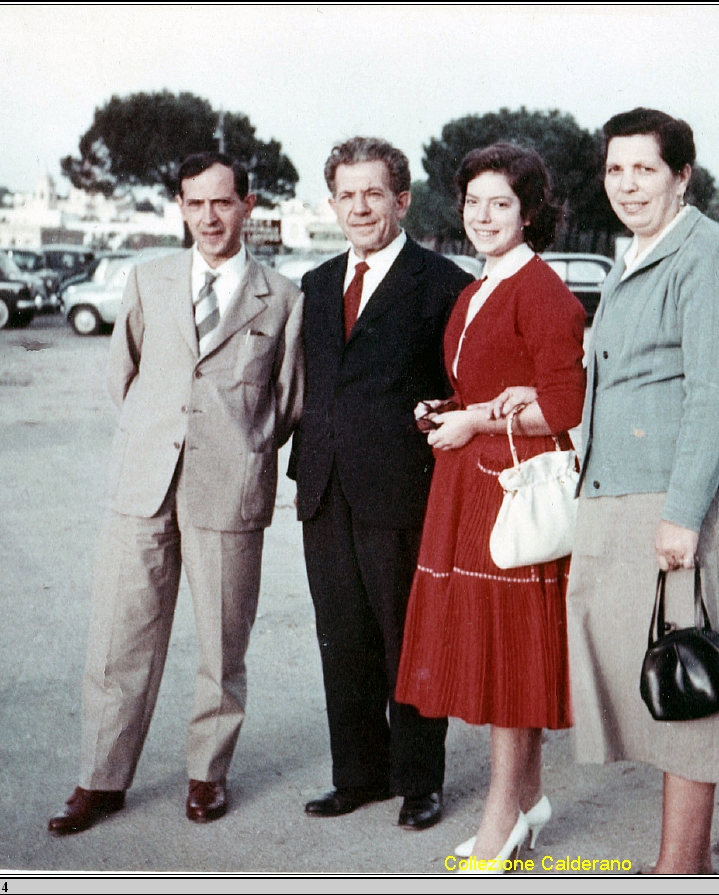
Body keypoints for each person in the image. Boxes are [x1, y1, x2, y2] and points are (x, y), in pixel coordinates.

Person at [48, 152, 304, 834]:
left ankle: (206, 775)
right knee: (118, 637)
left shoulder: (282, 296)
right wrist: (152, 435)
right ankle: (100, 779)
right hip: (142, 486)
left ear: (248, 205)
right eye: (195, 203)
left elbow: (286, 402)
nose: (209, 217)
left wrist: (241, 445)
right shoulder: (149, 279)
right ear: (181, 207)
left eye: (222, 202)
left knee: (223, 644)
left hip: (228, 490)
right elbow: (123, 374)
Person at [566, 108, 719, 874]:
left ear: (683, 175)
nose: (627, 184)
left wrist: (682, 517)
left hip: (678, 498)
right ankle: (686, 861)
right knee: (652, 673)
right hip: (620, 494)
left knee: (691, 678)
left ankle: (679, 867)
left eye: (644, 168)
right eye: (615, 169)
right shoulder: (634, 254)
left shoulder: (708, 253)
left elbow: (716, 396)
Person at [395, 143, 587, 867]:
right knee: (503, 657)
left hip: (512, 496)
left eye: (500, 203)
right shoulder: (480, 288)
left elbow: (564, 409)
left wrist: (475, 421)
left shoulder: (541, 290)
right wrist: (449, 407)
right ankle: (529, 798)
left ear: (530, 212)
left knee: (509, 665)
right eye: (473, 202)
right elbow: (495, 385)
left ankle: (503, 818)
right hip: (474, 484)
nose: (482, 215)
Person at [290, 137, 475, 831]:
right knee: (343, 639)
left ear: (401, 200)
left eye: (374, 193)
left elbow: (465, 388)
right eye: (347, 194)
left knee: (411, 641)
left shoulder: (445, 284)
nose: (360, 206)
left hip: (404, 490)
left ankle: (418, 779)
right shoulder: (314, 284)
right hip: (325, 489)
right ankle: (357, 775)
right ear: (332, 203)